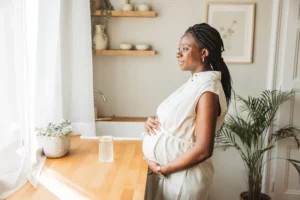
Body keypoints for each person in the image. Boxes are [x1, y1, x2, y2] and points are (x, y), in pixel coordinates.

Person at [141, 23, 232, 200]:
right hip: (171, 178)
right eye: (179, 49)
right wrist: (153, 122)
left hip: (182, 181)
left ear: (203, 53)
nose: (178, 54)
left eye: (185, 49)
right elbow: (180, 122)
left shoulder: (208, 89)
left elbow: (204, 149)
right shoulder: (195, 83)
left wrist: (162, 169)